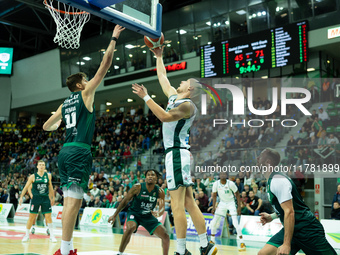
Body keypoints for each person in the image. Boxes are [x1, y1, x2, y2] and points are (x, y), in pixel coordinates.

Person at [43, 25, 125, 255]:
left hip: (64, 152)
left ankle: (65, 248)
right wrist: (114, 38)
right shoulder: (85, 94)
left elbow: (46, 126)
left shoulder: (65, 102)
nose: (90, 81)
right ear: (80, 85)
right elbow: (105, 65)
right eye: (86, 80)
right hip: (79, 151)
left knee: (70, 202)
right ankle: (64, 249)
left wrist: (58, 123)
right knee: (73, 203)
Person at [132, 45, 217, 255]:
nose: (181, 81)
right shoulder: (173, 97)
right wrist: (159, 57)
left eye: (185, 81)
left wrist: (145, 97)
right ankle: (206, 245)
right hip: (178, 154)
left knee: (177, 205)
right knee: (188, 202)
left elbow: (164, 117)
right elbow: (163, 78)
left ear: (190, 89)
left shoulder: (188, 105)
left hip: (177, 154)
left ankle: (181, 251)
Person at [257, 148, 336, 255]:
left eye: (260, 156)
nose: (257, 159)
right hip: (292, 228)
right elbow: (289, 207)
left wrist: (286, 244)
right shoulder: (272, 180)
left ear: (267, 162)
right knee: (264, 254)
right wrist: (272, 217)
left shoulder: (278, 180)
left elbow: (290, 211)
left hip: (307, 229)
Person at [108, 169, 169, 255]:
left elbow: (162, 208)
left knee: (165, 235)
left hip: (148, 216)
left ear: (156, 178)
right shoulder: (137, 187)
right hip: (134, 213)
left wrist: (159, 213)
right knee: (130, 228)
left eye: (152, 175)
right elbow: (125, 201)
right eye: (148, 175)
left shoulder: (160, 191)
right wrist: (114, 215)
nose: (150, 176)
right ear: (145, 178)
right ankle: (120, 253)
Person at [19, 160, 56, 243]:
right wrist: (21, 197)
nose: (41, 166)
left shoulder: (48, 176)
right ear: (37, 167)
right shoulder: (33, 176)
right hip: (35, 199)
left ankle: (52, 236)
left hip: (45, 198)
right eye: (40, 165)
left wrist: (52, 197)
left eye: (43, 165)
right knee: (31, 217)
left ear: (45, 166)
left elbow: (50, 187)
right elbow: (26, 187)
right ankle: (26, 235)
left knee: (48, 217)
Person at [210, 172, 245, 251]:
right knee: (214, 222)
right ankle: (212, 240)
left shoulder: (231, 184)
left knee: (235, 223)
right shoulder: (216, 184)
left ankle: (242, 242)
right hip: (222, 203)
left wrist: (239, 207)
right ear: (219, 176)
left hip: (231, 203)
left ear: (226, 176)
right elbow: (214, 195)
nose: (222, 175)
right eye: (221, 174)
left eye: (224, 174)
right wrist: (213, 207)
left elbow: (237, 194)